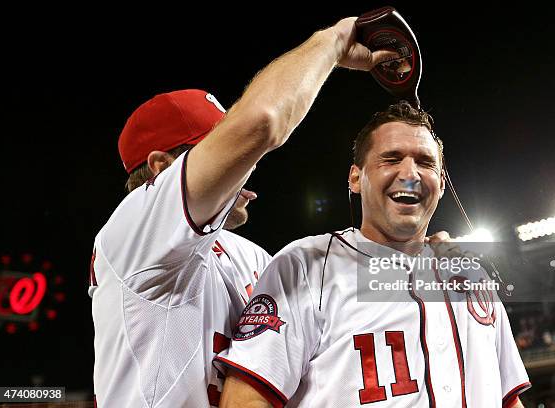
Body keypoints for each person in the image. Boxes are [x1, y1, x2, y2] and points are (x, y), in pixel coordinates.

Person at [88, 17, 396, 408]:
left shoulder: (243, 254)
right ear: (162, 168)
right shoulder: (137, 227)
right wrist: (333, 41)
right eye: (219, 150)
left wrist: (419, 264)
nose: (245, 165)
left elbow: (333, 303)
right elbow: (262, 121)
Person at [216, 101, 531, 407]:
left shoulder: (471, 277)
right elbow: (244, 398)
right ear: (355, 178)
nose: (410, 174)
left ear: (442, 183)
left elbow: (509, 399)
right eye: (391, 159)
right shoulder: (306, 265)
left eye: (425, 162)